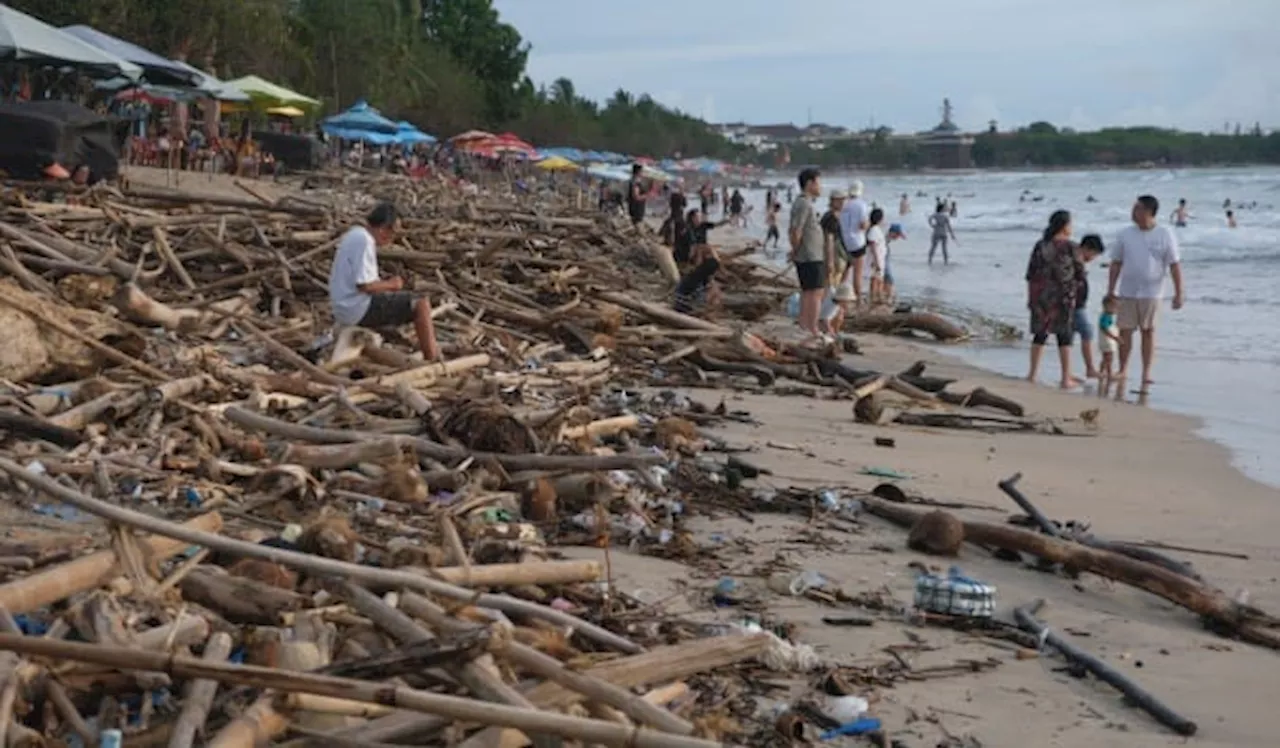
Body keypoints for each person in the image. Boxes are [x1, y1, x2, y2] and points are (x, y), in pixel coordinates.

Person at [328, 202, 440, 361]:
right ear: (383, 229)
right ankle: (432, 359)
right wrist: (392, 285)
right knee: (420, 303)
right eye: (393, 232)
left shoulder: (355, 234)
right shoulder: (364, 240)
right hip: (356, 308)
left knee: (393, 303)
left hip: (344, 307)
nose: (392, 238)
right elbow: (365, 286)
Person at [1107, 194, 1184, 398]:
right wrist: (1110, 289)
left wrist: (1179, 292)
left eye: (1138, 208)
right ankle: (1122, 368)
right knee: (1125, 331)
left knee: (1148, 331)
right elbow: (1116, 263)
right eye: (1134, 208)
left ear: (1149, 212)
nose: (1134, 212)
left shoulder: (1165, 233)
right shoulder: (1125, 234)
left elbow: (1174, 264)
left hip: (1152, 292)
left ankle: (1146, 372)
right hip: (1127, 291)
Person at [1025, 210, 1085, 389]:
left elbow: (1030, 273)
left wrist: (1031, 297)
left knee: (1040, 334)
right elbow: (1080, 273)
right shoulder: (1071, 247)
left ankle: (1032, 374)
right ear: (1065, 225)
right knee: (1064, 335)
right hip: (1063, 297)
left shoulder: (1040, 245)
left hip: (1041, 295)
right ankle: (1066, 378)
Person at [789, 168, 826, 343]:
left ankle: (805, 324)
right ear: (810, 183)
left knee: (808, 291)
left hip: (810, 253)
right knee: (815, 292)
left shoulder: (805, 203)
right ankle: (812, 327)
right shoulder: (804, 203)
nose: (820, 186)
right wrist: (795, 250)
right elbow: (796, 230)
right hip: (809, 255)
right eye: (818, 182)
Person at [1074, 234, 1106, 380]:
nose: (1093, 258)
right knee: (1087, 332)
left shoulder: (1077, 260)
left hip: (1077, 304)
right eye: (1094, 254)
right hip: (1075, 305)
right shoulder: (1076, 260)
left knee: (1068, 336)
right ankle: (1090, 368)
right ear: (1088, 249)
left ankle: (1069, 371)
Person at [838, 180, 870, 303]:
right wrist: (868, 225)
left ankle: (840, 297)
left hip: (844, 241)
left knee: (844, 273)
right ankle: (858, 300)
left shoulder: (844, 204)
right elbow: (862, 225)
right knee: (857, 274)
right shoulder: (861, 205)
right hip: (857, 242)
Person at [1096, 294, 1121, 398]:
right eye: (1114, 307)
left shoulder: (1108, 316)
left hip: (1107, 340)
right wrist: (1115, 337)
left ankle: (1102, 372)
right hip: (1107, 340)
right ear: (1107, 306)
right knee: (1109, 357)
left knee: (1105, 357)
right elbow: (1104, 328)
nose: (1116, 310)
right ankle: (1109, 373)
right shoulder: (1105, 316)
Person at [865, 208, 888, 305]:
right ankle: (873, 297)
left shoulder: (875, 229)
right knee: (875, 279)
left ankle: (877, 296)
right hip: (876, 258)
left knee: (878, 278)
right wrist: (876, 260)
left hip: (879, 257)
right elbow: (873, 245)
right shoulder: (874, 230)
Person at [884, 223, 906, 303]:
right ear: (892, 232)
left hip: (884, 265)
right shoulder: (884, 241)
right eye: (897, 235)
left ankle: (888, 298)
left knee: (888, 282)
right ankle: (889, 300)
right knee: (889, 281)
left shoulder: (886, 240)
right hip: (883, 266)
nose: (897, 238)